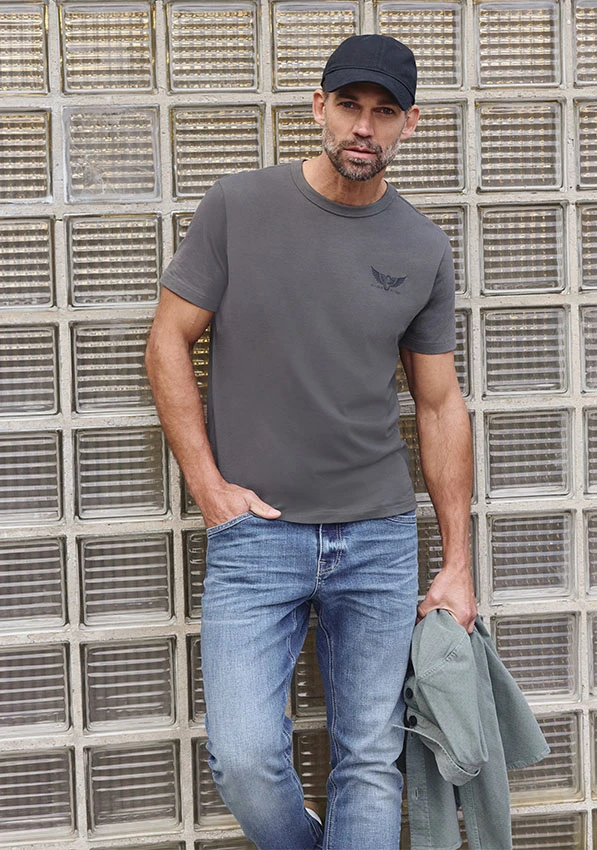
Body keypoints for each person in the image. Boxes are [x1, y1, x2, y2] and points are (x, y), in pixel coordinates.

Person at [145, 33, 477, 850]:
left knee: (369, 760)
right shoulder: (238, 207)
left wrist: (456, 563)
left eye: (384, 111)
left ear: (409, 124)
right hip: (255, 535)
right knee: (245, 761)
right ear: (318, 107)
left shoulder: (421, 246)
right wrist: (208, 488)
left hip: (377, 537)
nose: (364, 126)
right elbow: (166, 342)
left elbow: (439, 405)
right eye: (349, 105)